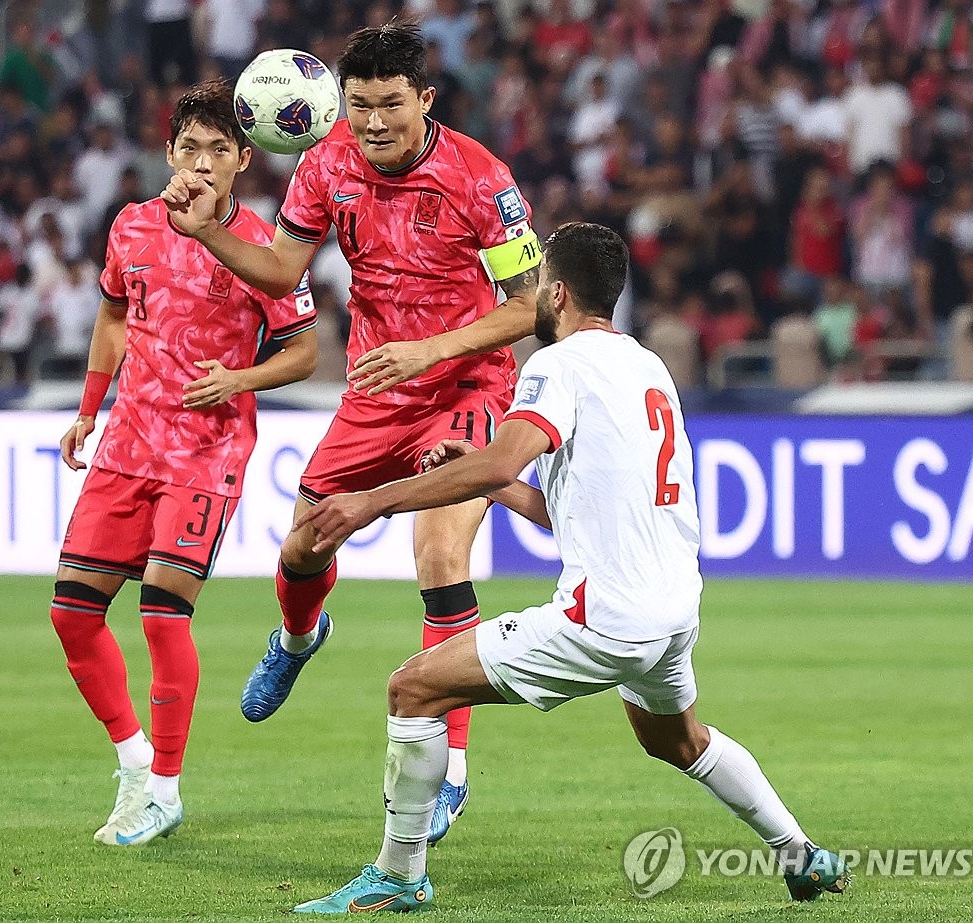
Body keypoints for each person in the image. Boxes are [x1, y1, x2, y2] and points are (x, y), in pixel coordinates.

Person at [290, 223, 851, 912]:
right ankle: (801, 853)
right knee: (680, 740)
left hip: (606, 615)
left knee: (413, 688)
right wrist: (489, 485)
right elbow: (566, 505)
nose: (525, 296)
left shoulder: (558, 367)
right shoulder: (647, 366)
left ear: (557, 292)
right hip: (672, 610)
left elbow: (500, 458)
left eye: (534, 284)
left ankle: (400, 874)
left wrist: (369, 503)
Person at [162, 22, 543, 845]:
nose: (374, 122)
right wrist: (206, 234)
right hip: (377, 392)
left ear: (425, 100)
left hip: (465, 383)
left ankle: (450, 770)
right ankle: (300, 635)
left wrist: (432, 350)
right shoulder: (324, 162)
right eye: (361, 104)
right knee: (302, 548)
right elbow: (283, 273)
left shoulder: (484, 178)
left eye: (391, 105)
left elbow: (530, 306)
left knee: (441, 556)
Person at [50, 80, 319, 847]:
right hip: (128, 443)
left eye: (218, 152)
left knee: (163, 612)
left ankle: (165, 790)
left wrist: (240, 379)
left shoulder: (266, 248)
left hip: (207, 449)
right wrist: (88, 408)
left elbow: (303, 351)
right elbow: (111, 313)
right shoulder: (132, 226)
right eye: (189, 149)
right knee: (71, 612)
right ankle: (134, 762)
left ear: (243, 160)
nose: (201, 165)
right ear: (169, 152)